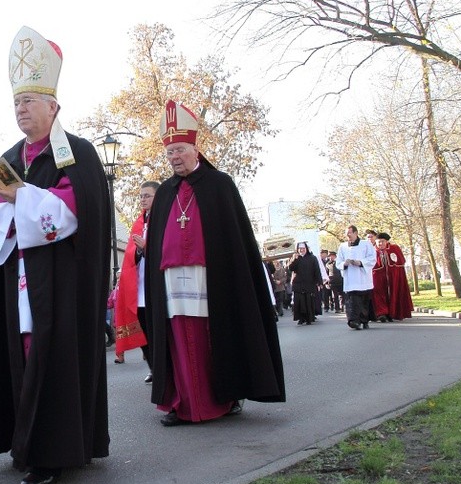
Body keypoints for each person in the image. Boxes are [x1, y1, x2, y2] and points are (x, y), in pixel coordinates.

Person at [0, 26, 109, 484]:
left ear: (53, 106)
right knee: (23, 357)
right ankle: (26, 444)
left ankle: (51, 454)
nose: (21, 109)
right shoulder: (9, 157)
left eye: (30, 100)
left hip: (60, 284)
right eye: (17, 102)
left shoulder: (77, 154)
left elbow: (72, 214)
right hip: (20, 279)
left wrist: (19, 197)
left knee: (51, 360)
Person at [144, 99, 285, 427]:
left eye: (180, 150)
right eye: (169, 153)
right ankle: (182, 402)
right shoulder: (165, 193)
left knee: (215, 338)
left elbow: (235, 242)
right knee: (177, 340)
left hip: (213, 279)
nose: (175, 158)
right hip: (173, 282)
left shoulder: (220, 185)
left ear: (195, 149)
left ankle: (224, 397)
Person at [113, 180, 159, 383]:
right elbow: (131, 254)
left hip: (157, 288)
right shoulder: (139, 223)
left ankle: (162, 369)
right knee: (144, 333)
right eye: (141, 196)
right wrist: (140, 250)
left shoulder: (163, 220)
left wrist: (147, 247)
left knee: (158, 334)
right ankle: (153, 368)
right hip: (138, 290)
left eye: (147, 195)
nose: (142, 199)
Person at [336, 225, 376, 330]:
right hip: (350, 279)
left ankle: (364, 320)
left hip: (363, 278)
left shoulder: (366, 244)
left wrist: (361, 262)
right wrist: (345, 264)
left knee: (364, 302)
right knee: (352, 302)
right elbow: (338, 262)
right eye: (346, 233)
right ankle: (354, 321)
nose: (347, 235)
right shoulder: (343, 246)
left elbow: (372, 258)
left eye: (349, 233)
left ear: (356, 233)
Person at [370, 232, 413, 322]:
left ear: (386, 242)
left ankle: (392, 313)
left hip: (393, 279)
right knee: (379, 296)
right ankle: (381, 313)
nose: (380, 244)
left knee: (393, 294)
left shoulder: (394, 249)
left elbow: (400, 262)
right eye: (378, 242)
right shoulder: (372, 251)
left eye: (382, 241)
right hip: (378, 279)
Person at [288, 242, 322, 325]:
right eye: (300, 249)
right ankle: (301, 318)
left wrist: (319, 282)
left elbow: (317, 270)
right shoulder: (296, 258)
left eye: (303, 248)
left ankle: (309, 318)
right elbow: (290, 268)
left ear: (306, 249)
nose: (301, 250)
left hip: (309, 283)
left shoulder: (312, 258)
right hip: (298, 284)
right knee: (299, 302)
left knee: (308, 302)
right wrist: (294, 259)